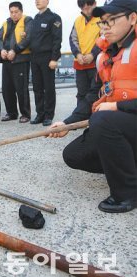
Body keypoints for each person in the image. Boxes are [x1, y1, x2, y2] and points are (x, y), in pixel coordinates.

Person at [49, 0, 137, 213]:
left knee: (102, 121)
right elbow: (91, 96)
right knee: (74, 154)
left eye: (112, 21)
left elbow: (111, 111)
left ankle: (127, 194)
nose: (105, 27)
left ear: (133, 18)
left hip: (127, 117)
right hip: (125, 124)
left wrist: (117, 107)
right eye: (102, 23)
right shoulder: (106, 55)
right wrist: (67, 124)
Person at [0, 1, 32, 123]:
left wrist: (15, 50)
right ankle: (11, 113)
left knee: (21, 88)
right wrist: (1, 50)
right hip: (6, 61)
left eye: (16, 12)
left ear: (21, 11)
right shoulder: (6, 23)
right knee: (7, 89)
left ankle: (25, 114)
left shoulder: (28, 21)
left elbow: (28, 39)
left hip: (20, 60)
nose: (14, 14)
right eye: (12, 12)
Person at [30, 0, 62, 126]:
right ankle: (40, 114)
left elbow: (57, 39)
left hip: (47, 57)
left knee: (48, 87)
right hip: (35, 57)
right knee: (37, 87)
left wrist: (54, 58)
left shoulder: (54, 18)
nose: (37, 1)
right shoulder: (36, 18)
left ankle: (48, 115)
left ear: (47, 1)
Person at [70, 0, 101, 105]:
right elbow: (73, 39)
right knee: (81, 93)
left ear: (95, 4)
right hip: (80, 64)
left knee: (95, 93)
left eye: (88, 6)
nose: (86, 10)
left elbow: (104, 38)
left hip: (95, 64)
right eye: (83, 7)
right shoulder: (78, 20)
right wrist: (77, 54)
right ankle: (81, 117)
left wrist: (93, 54)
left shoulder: (102, 18)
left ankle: (95, 118)